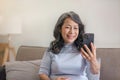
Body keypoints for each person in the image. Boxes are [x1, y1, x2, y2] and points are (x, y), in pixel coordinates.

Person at [38, 11, 100, 80]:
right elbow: (42, 73)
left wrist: (93, 60)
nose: (72, 32)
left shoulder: (85, 48)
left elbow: (95, 72)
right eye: (67, 27)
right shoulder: (52, 49)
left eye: (75, 28)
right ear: (60, 29)